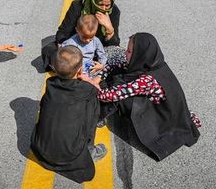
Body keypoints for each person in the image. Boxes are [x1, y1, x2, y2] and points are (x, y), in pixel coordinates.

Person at [82, 33, 200, 161]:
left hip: (161, 119)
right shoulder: (152, 63)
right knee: (116, 76)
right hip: (168, 110)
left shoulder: (147, 80)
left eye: (129, 51)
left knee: (116, 91)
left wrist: (90, 84)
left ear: (140, 54)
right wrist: (99, 77)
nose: (125, 53)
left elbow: (110, 95)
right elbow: (114, 65)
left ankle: (98, 116)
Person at [30, 46, 106, 183]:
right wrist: (88, 80)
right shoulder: (86, 90)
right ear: (80, 70)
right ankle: (89, 149)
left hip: (41, 148)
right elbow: (98, 91)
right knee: (93, 104)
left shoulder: (50, 85)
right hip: (69, 154)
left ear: (54, 68)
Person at [41, 0, 120, 70]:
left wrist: (109, 28)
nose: (103, 8)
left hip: (98, 49)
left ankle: (84, 68)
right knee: (48, 50)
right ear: (93, 0)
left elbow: (114, 44)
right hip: (75, 46)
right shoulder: (78, 5)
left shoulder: (114, 11)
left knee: (119, 55)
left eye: (107, 5)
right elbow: (63, 32)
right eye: (100, 4)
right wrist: (69, 52)